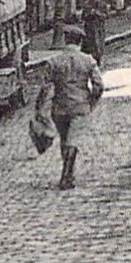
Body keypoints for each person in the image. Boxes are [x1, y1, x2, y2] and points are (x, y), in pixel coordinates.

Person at [40, 24, 104, 190]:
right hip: (80, 106)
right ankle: (66, 175)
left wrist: (42, 109)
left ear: (66, 40)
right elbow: (99, 85)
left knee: (65, 139)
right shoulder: (88, 60)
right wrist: (91, 100)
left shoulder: (54, 61)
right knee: (73, 140)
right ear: (80, 42)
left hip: (60, 108)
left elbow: (45, 88)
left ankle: (68, 173)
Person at [81, 0, 108, 67]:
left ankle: (99, 59)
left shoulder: (102, 4)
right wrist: (90, 14)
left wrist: (98, 14)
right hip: (90, 30)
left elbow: (106, 16)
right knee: (91, 46)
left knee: (99, 45)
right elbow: (83, 17)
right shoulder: (88, 5)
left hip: (99, 29)